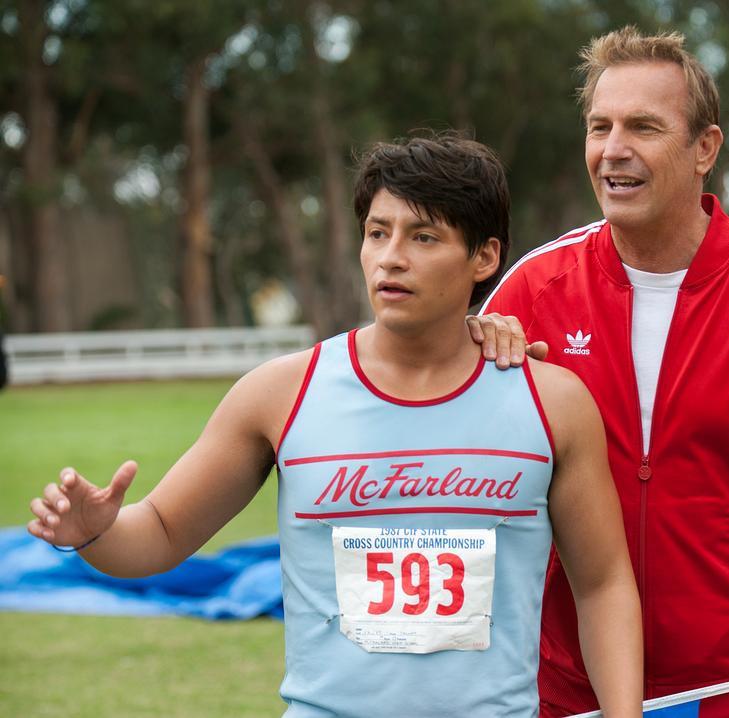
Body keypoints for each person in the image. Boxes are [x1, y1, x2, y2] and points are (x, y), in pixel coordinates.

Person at [27, 134, 643, 718]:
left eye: (424, 237)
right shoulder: (278, 395)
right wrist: (94, 533)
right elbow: (161, 533)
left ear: (484, 256)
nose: (391, 257)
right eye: (378, 233)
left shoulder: (553, 404)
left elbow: (603, 585)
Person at [472, 27, 729, 718]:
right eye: (600, 127)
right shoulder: (532, 290)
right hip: (565, 693)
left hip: (727, 689)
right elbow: (461, 476)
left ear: (706, 149)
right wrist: (468, 354)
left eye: (643, 127)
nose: (613, 149)